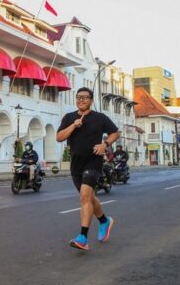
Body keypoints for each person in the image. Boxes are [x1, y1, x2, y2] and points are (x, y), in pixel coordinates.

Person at [57, 87, 119, 251]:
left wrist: (104, 144)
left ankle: (83, 238)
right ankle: (105, 221)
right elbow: (59, 137)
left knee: (85, 196)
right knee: (89, 198)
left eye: (85, 97)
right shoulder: (69, 117)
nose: (81, 100)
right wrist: (73, 126)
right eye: (78, 97)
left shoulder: (100, 118)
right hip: (76, 164)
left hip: (93, 161)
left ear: (91, 100)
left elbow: (115, 133)